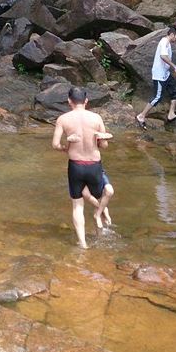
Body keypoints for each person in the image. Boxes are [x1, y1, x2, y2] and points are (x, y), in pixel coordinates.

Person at [52, 86, 113, 249]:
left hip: (76, 166)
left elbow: (55, 145)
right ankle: (101, 217)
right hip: (94, 165)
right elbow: (104, 146)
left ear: (69, 101)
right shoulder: (97, 118)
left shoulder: (63, 119)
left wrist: (66, 146)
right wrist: (103, 139)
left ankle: (83, 244)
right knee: (101, 195)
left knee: (77, 205)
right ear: (86, 101)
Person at [136, 27, 176, 129]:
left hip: (165, 73)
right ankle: (141, 116)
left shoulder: (167, 43)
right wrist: (175, 67)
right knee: (157, 97)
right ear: (172, 35)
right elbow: (163, 56)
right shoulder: (164, 42)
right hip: (159, 75)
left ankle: (171, 114)